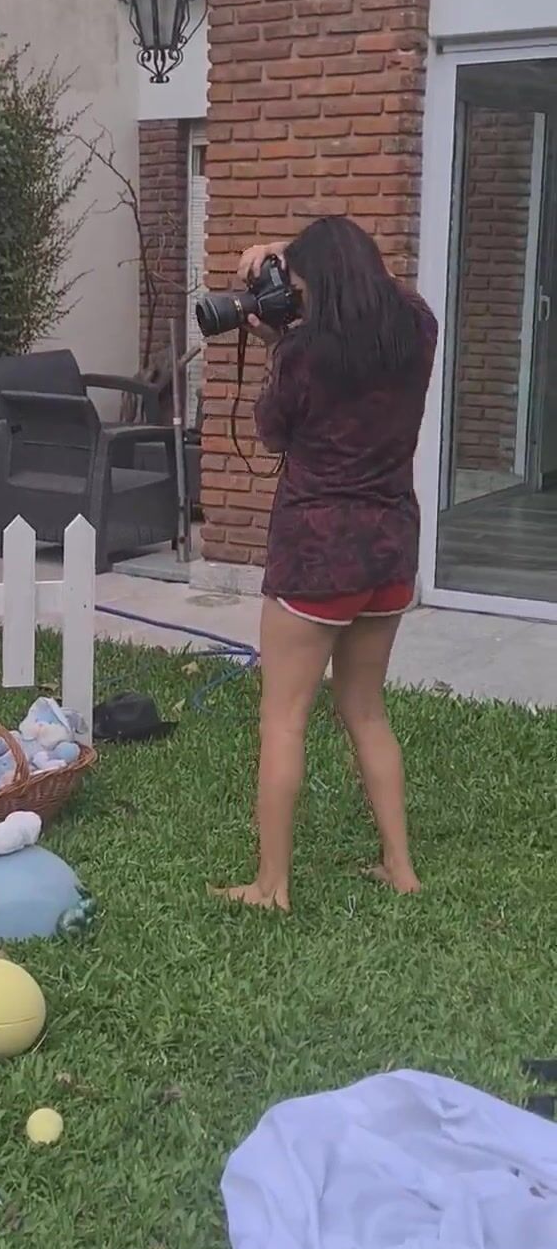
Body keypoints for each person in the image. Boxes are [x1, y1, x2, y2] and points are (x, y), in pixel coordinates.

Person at [213, 216, 437, 912]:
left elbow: (273, 432)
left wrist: (277, 339)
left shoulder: (304, 353)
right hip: (389, 549)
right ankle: (401, 868)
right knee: (366, 709)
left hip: (316, 555)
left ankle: (271, 886)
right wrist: (296, 258)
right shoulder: (417, 327)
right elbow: (378, 283)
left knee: (283, 718)